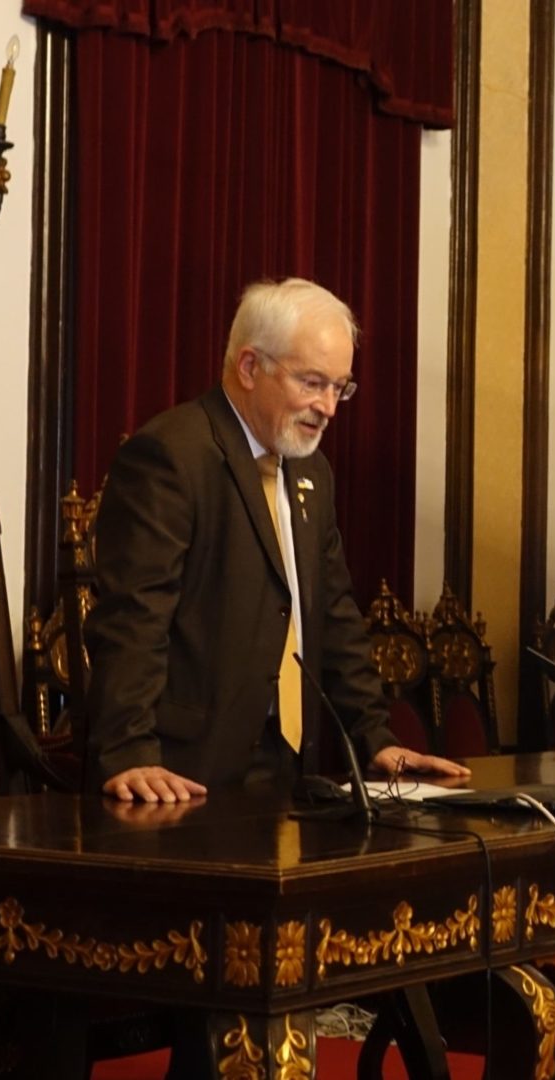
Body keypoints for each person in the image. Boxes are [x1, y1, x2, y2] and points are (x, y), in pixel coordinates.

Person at [84, 278, 469, 802]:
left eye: (341, 387)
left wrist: (374, 737)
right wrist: (127, 751)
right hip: (181, 773)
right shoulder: (172, 457)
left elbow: (331, 612)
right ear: (249, 368)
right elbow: (133, 618)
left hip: (289, 764)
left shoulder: (312, 471)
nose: (329, 407)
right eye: (312, 382)